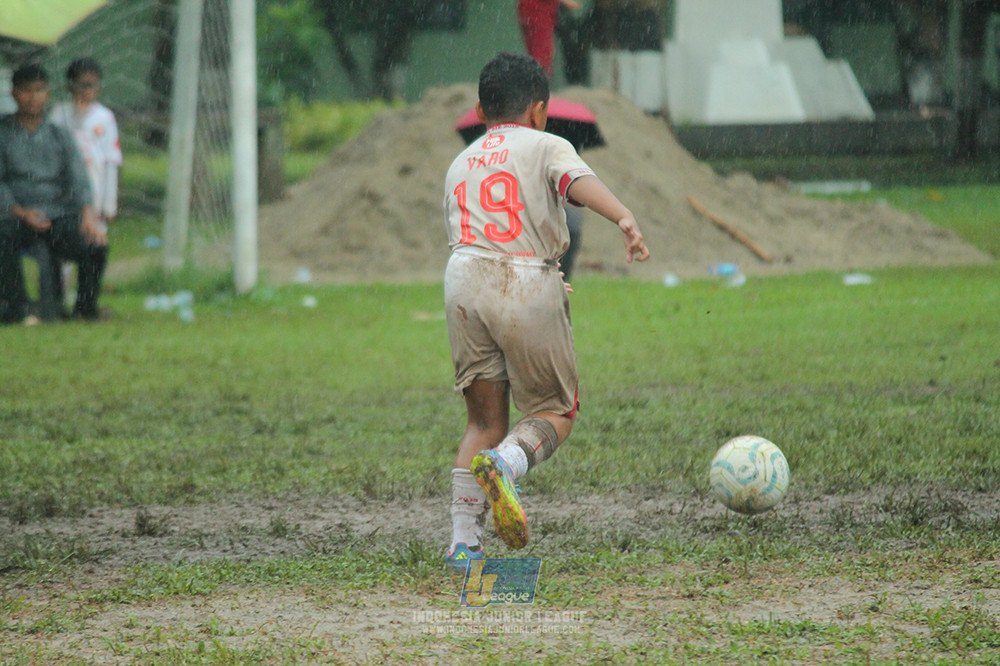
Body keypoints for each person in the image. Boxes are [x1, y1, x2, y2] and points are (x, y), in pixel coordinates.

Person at [442, 53, 650, 571]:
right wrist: (622, 216)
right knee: (556, 410)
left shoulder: (461, 161)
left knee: (483, 419)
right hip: (525, 279)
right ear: (538, 110)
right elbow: (574, 182)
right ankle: (507, 463)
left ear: (480, 110)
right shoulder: (547, 143)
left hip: (462, 280)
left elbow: (476, 232)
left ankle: (463, 543)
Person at [0, 63, 109, 324]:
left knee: (94, 245)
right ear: (14, 94)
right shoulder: (3, 133)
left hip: (56, 215)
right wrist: (20, 211)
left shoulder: (59, 135)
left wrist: (88, 216)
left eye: (39, 90)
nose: (33, 97)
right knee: (3, 239)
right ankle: (18, 308)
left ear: (47, 93)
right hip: (14, 215)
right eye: (26, 90)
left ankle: (84, 309)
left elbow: (78, 177)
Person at [49, 58, 122, 311]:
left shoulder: (105, 117)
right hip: (63, 196)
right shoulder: (60, 114)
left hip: (95, 193)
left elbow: (111, 161)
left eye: (92, 85)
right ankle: (58, 302)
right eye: (81, 85)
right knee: (62, 253)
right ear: (70, 86)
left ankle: (87, 302)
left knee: (94, 244)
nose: (86, 91)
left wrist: (109, 203)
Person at [517, 0, 581, 77]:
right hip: (537, 9)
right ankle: (538, 80)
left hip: (539, 9)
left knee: (541, 53)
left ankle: (537, 79)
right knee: (542, 54)